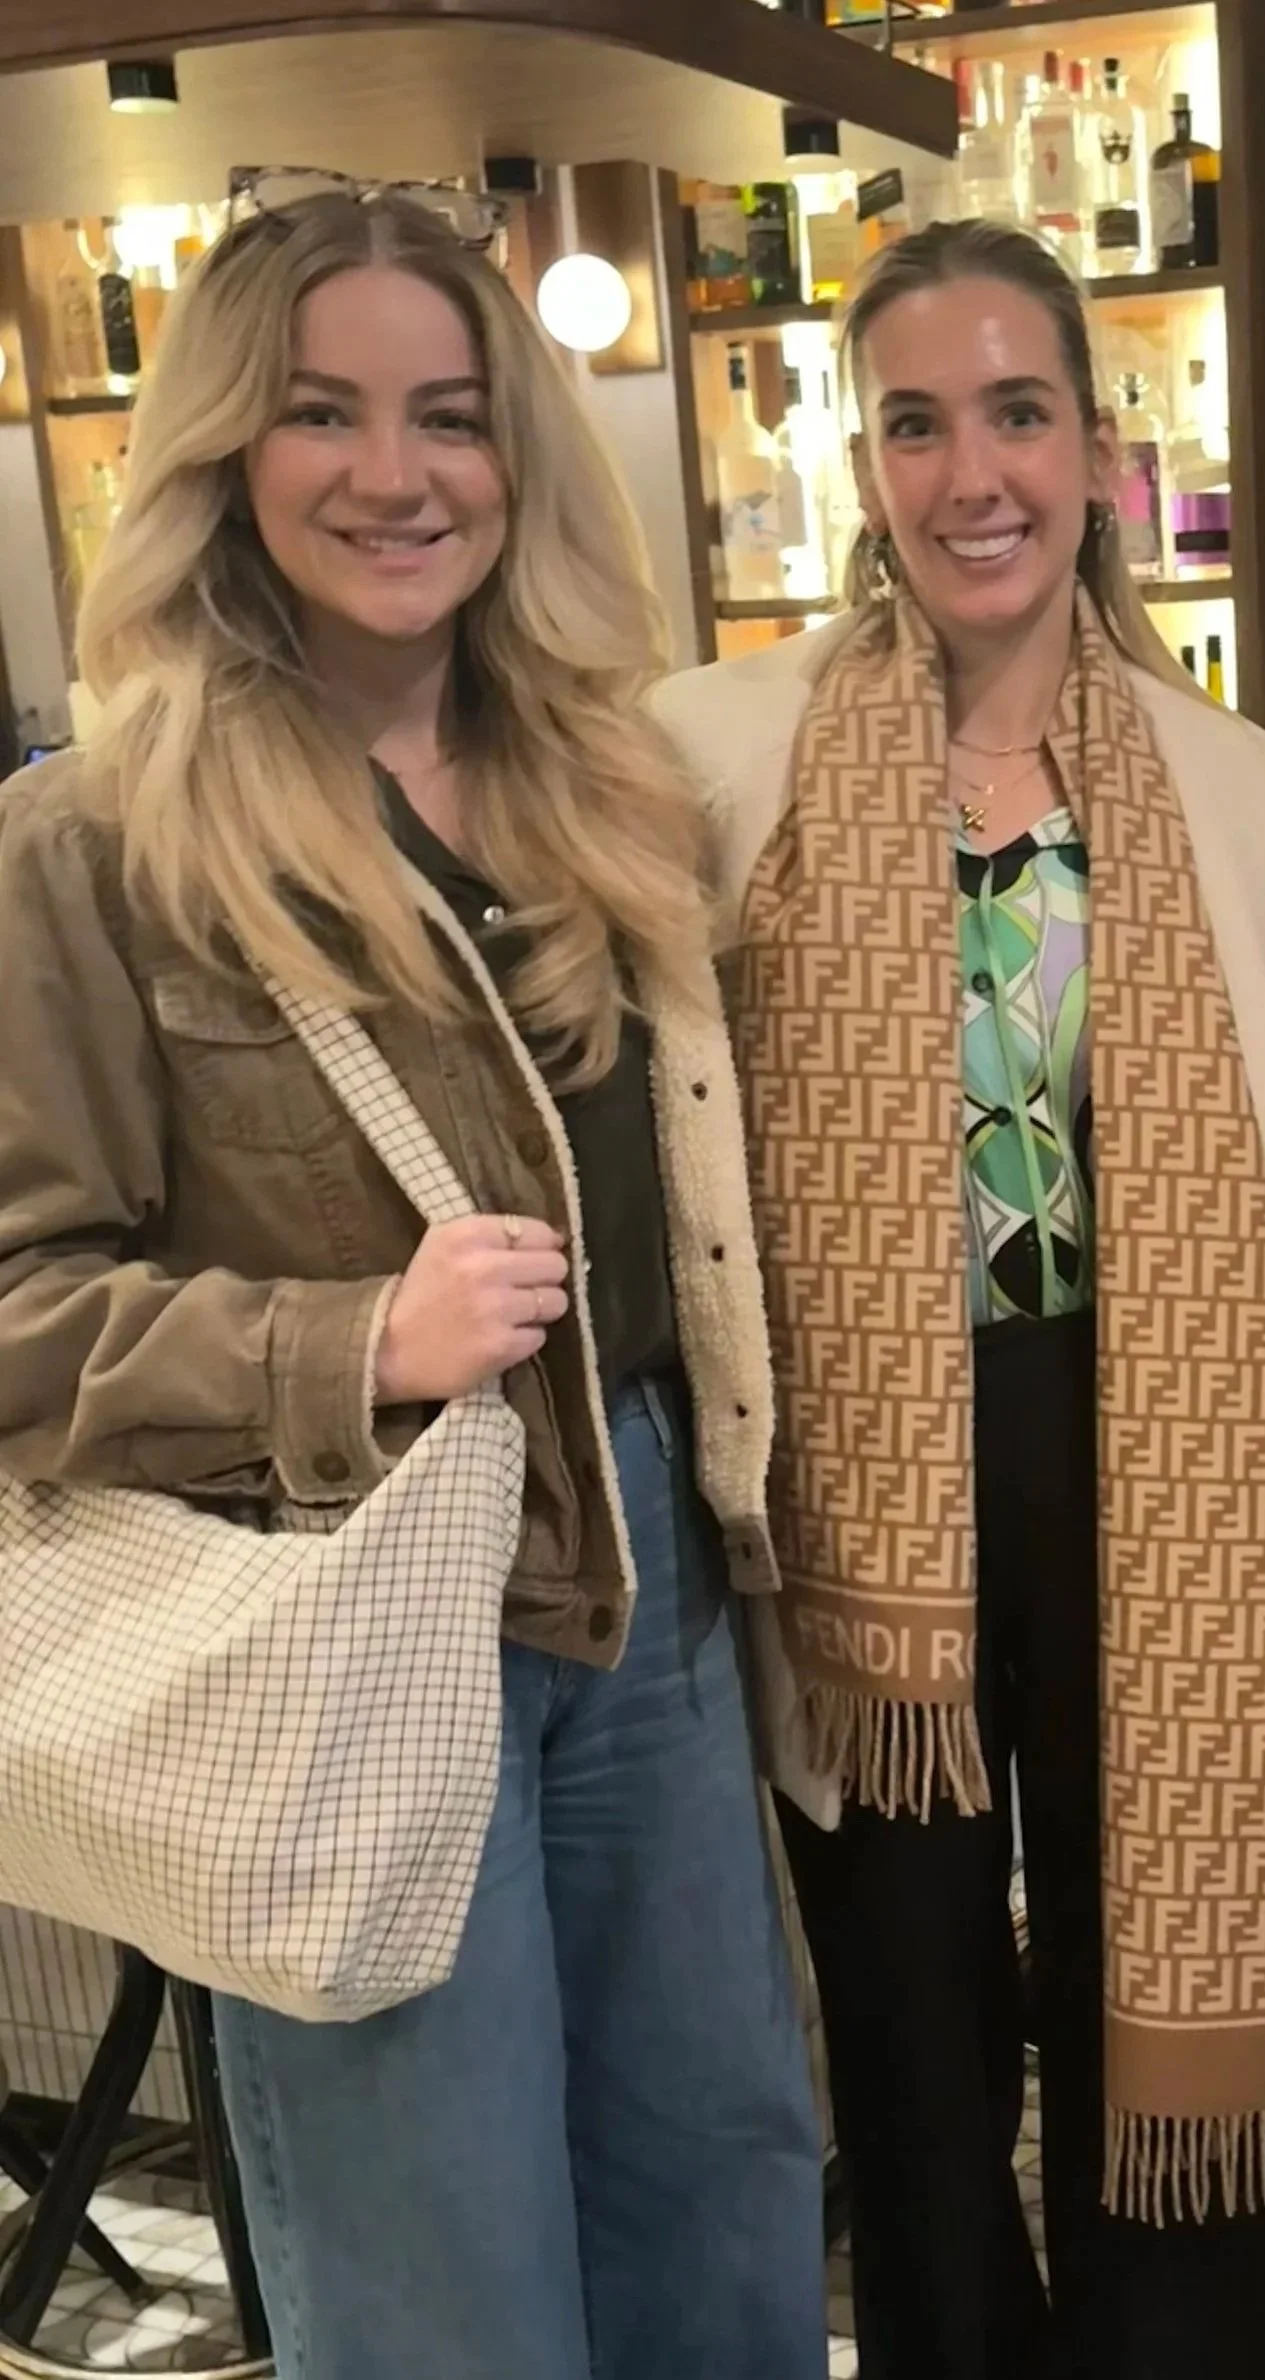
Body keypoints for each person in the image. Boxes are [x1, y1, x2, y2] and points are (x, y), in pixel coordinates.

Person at [0, 183, 825, 2380]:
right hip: (356, 1613)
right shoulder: (98, 840)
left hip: (646, 1581)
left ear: (518, 457)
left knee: (723, 2231)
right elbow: (10, 1310)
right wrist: (347, 1338)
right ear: (223, 460)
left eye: (449, 415)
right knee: (443, 2295)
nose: (397, 472)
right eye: (323, 413)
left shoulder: (614, 786)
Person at [653, 218, 1265, 2380]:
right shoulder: (713, 759)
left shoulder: (1243, 795)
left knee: (1142, 1970)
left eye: (1019, 412)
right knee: (915, 2018)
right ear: (861, 461)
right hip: (871, 1494)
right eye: (918, 421)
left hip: (1143, 1454)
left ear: (1098, 446)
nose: (975, 472)